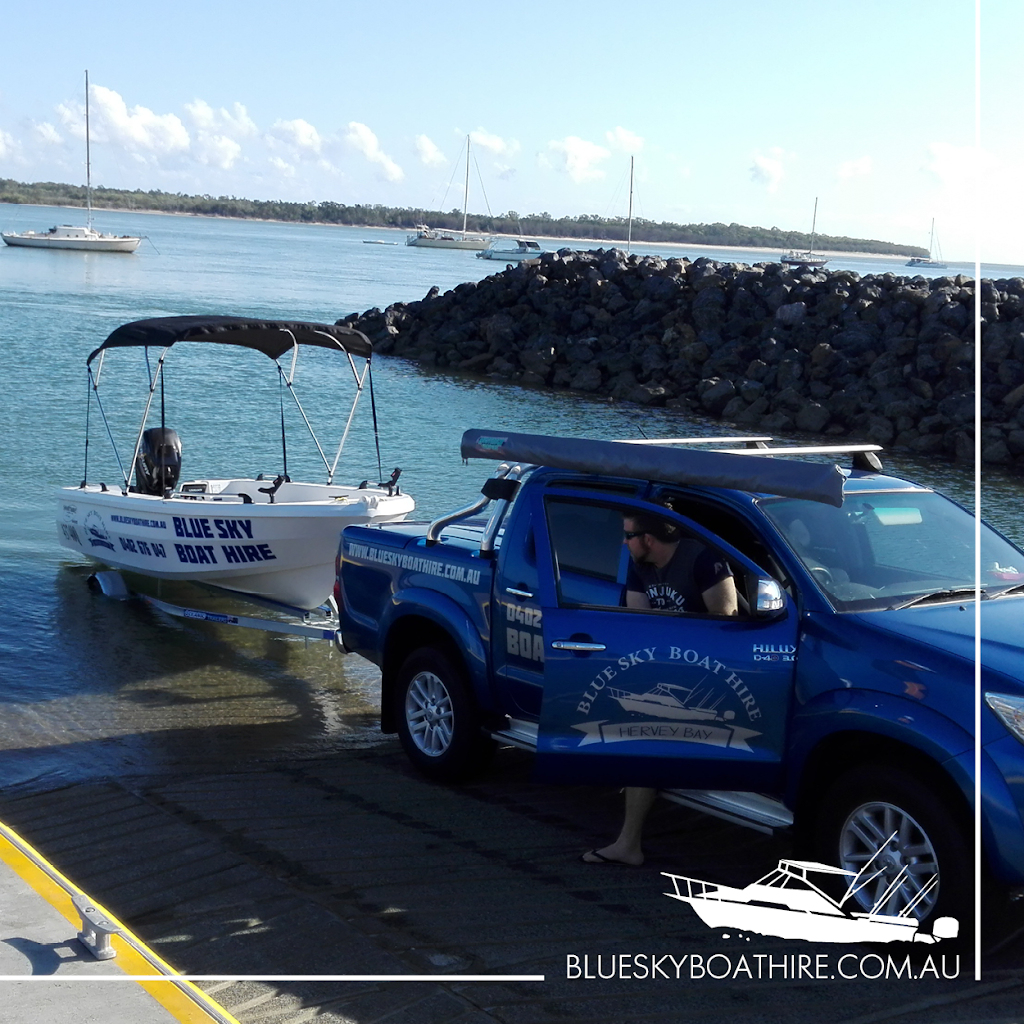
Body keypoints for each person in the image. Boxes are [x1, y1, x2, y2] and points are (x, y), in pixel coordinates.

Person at [581, 510, 738, 866]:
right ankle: (625, 838)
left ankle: (627, 845)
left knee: (644, 739)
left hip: (717, 671)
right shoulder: (642, 565)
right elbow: (641, 624)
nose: (624, 543)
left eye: (628, 535)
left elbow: (725, 623)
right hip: (671, 667)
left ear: (648, 539)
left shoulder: (704, 559)